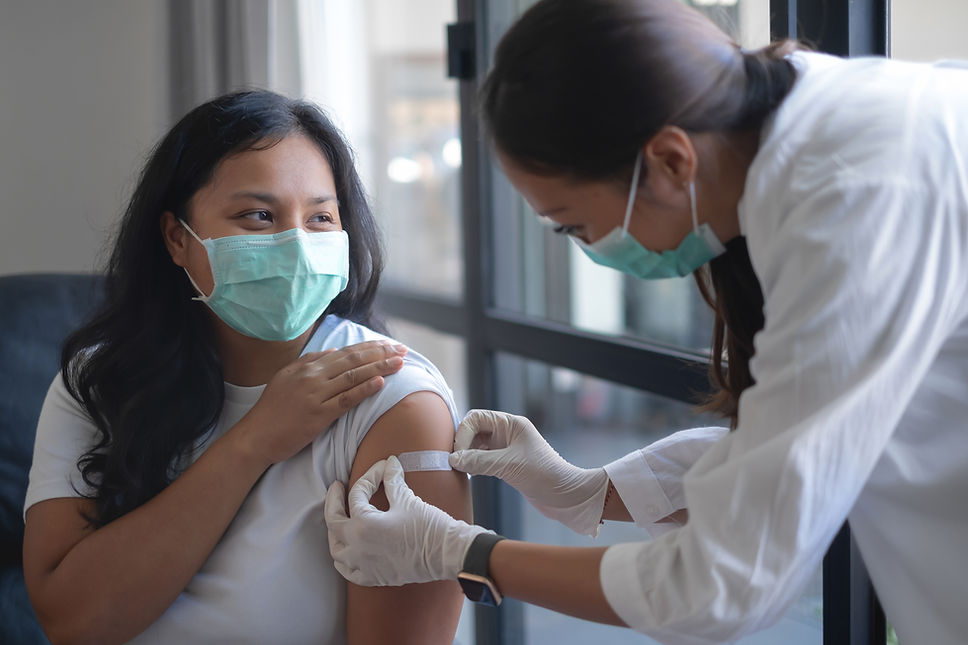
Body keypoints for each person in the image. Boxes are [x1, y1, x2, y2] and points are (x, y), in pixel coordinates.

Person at [322, 0, 968, 643]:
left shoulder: (858, 202)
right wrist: (587, 489)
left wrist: (466, 553)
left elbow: (720, 584)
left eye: (575, 224)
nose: (590, 247)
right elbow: (805, 440)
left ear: (670, 160)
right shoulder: (817, 143)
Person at [22, 90, 471, 644]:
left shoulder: (392, 402)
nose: (298, 246)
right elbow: (72, 622)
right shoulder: (97, 381)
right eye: (258, 215)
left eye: (321, 217)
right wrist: (252, 442)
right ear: (176, 239)